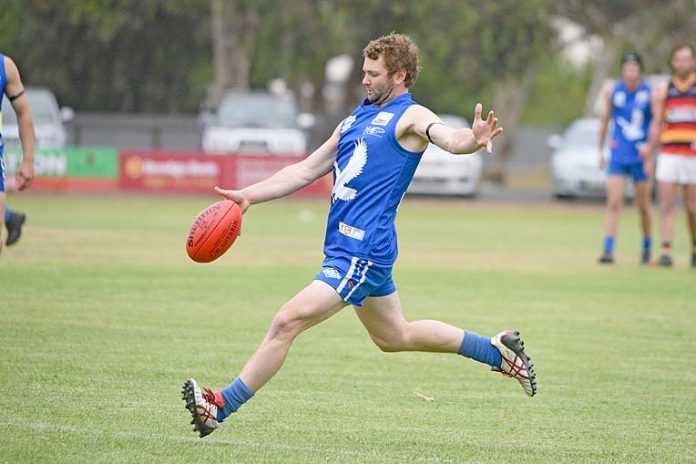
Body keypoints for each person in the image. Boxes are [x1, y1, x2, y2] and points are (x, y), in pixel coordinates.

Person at [181, 33, 536, 438]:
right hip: (346, 250)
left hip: (363, 252)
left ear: (400, 75)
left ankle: (220, 406)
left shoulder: (410, 117)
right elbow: (305, 169)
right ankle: (495, 351)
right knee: (393, 335)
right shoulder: (354, 119)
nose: (364, 80)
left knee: (286, 321)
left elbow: (447, 138)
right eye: (364, 72)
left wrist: (472, 139)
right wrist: (248, 196)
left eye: (374, 73)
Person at [597, 52, 655, 265]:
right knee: (614, 202)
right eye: (627, 68)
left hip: (640, 154)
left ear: (639, 71)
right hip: (619, 153)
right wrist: (601, 150)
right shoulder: (613, 92)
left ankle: (647, 246)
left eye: (634, 68)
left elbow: (656, 123)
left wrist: (650, 152)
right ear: (622, 71)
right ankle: (608, 249)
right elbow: (605, 120)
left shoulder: (650, 93)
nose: (630, 72)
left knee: (643, 205)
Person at [644, 44, 696, 268]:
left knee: (692, 207)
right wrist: (649, 153)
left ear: (693, 62)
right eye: (679, 59)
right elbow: (657, 123)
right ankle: (666, 250)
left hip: (692, 155)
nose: (683, 63)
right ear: (673, 63)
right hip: (668, 153)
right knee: (666, 204)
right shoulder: (664, 89)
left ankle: (694, 247)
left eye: (687, 59)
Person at [0, 52, 34, 254]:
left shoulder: (5, 67)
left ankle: (10, 217)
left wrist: (28, 160)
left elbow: (24, 112)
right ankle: (11, 217)